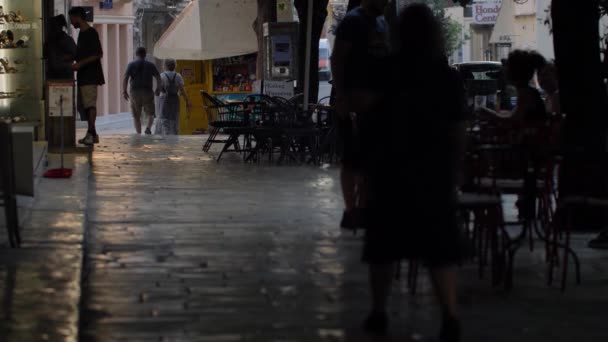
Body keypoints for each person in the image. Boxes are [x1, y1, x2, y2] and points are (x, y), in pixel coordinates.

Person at [362, 4, 468, 341]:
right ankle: (449, 315)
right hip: (433, 171)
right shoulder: (446, 76)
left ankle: (379, 311)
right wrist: (455, 170)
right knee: (440, 249)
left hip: (391, 169)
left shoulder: (385, 71)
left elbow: (368, 119)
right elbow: (458, 129)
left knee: (382, 246)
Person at [331, 0, 390, 229]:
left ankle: (364, 207)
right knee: (352, 159)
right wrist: (343, 96)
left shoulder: (382, 22)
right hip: (355, 102)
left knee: (370, 160)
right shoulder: (353, 22)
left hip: (377, 104)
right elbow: (337, 58)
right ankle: (352, 210)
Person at [69, 7, 105, 146]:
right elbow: (81, 54)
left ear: (78, 17)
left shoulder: (91, 33)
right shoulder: (81, 34)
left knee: (90, 105)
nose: (71, 23)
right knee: (84, 105)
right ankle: (92, 134)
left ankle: (91, 134)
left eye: (72, 19)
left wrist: (80, 64)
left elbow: (98, 54)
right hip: (84, 75)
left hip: (90, 75)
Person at [123, 47, 162, 135]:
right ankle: (148, 128)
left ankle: (139, 134)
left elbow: (125, 78)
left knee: (136, 115)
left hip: (135, 92)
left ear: (136, 54)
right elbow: (158, 77)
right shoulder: (150, 65)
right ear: (145, 54)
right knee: (151, 113)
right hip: (147, 91)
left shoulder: (131, 64)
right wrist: (158, 88)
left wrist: (124, 91)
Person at [155, 59, 190, 135]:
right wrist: (187, 100)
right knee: (174, 118)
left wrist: (157, 92)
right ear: (175, 66)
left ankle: (166, 134)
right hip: (175, 100)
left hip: (164, 100)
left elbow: (158, 90)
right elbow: (182, 90)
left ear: (165, 66)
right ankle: (175, 133)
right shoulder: (178, 76)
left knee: (164, 118)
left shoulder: (162, 76)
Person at [46, 14, 76, 80]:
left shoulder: (67, 40)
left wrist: (61, 58)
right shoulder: (50, 41)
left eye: (53, 26)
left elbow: (75, 55)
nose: (50, 29)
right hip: (53, 76)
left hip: (65, 76)